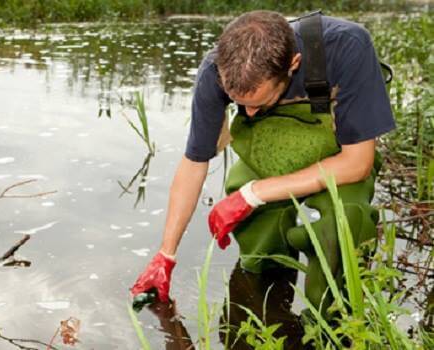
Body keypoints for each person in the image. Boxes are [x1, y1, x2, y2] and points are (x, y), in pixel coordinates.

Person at [130, 10, 394, 310]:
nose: (250, 114)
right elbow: (194, 162)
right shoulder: (213, 70)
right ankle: (264, 306)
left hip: (341, 151)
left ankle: (333, 319)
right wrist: (166, 254)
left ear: (293, 64)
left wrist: (252, 194)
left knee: (345, 223)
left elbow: (357, 163)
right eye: (241, 106)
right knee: (257, 239)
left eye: (259, 103)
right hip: (270, 146)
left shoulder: (347, 46)